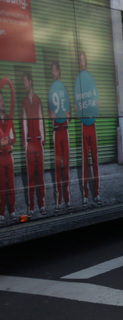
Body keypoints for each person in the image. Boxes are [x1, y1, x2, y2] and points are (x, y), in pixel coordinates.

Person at [74, 50, 100, 206]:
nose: (81, 63)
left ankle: (96, 192)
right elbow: (77, 101)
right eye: (79, 60)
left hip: (93, 123)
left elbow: (97, 100)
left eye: (83, 60)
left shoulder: (89, 79)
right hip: (83, 124)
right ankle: (85, 193)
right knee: (85, 161)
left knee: (95, 159)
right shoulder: (78, 81)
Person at [21, 71, 47, 217]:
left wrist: (42, 140)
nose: (24, 84)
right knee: (31, 176)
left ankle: (42, 204)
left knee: (40, 176)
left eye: (26, 81)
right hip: (30, 144)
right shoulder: (24, 103)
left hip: (38, 143)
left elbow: (42, 120)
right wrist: (25, 143)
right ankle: (31, 207)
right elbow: (24, 123)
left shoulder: (38, 100)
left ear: (31, 82)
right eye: (23, 82)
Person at [48, 61, 72, 212]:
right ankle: (59, 199)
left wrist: (65, 116)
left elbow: (69, 114)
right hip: (57, 131)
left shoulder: (61, 88)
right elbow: (50, 115)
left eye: (54, 70)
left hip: (63, 130)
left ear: (58, 71)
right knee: (58, 166)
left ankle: (67, 199)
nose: (52, 73)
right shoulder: (54, 89)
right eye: (52, 71)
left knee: (66, 165)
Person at [0, 87, 16, 223]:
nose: (2, 102)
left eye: (2, 99)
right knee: (2, 186)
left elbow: (14, 138)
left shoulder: (9, 119)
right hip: (0, 157)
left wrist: (9, 140)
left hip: (9, 156)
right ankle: (1, 212)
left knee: (11, 184)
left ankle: (12, 210)